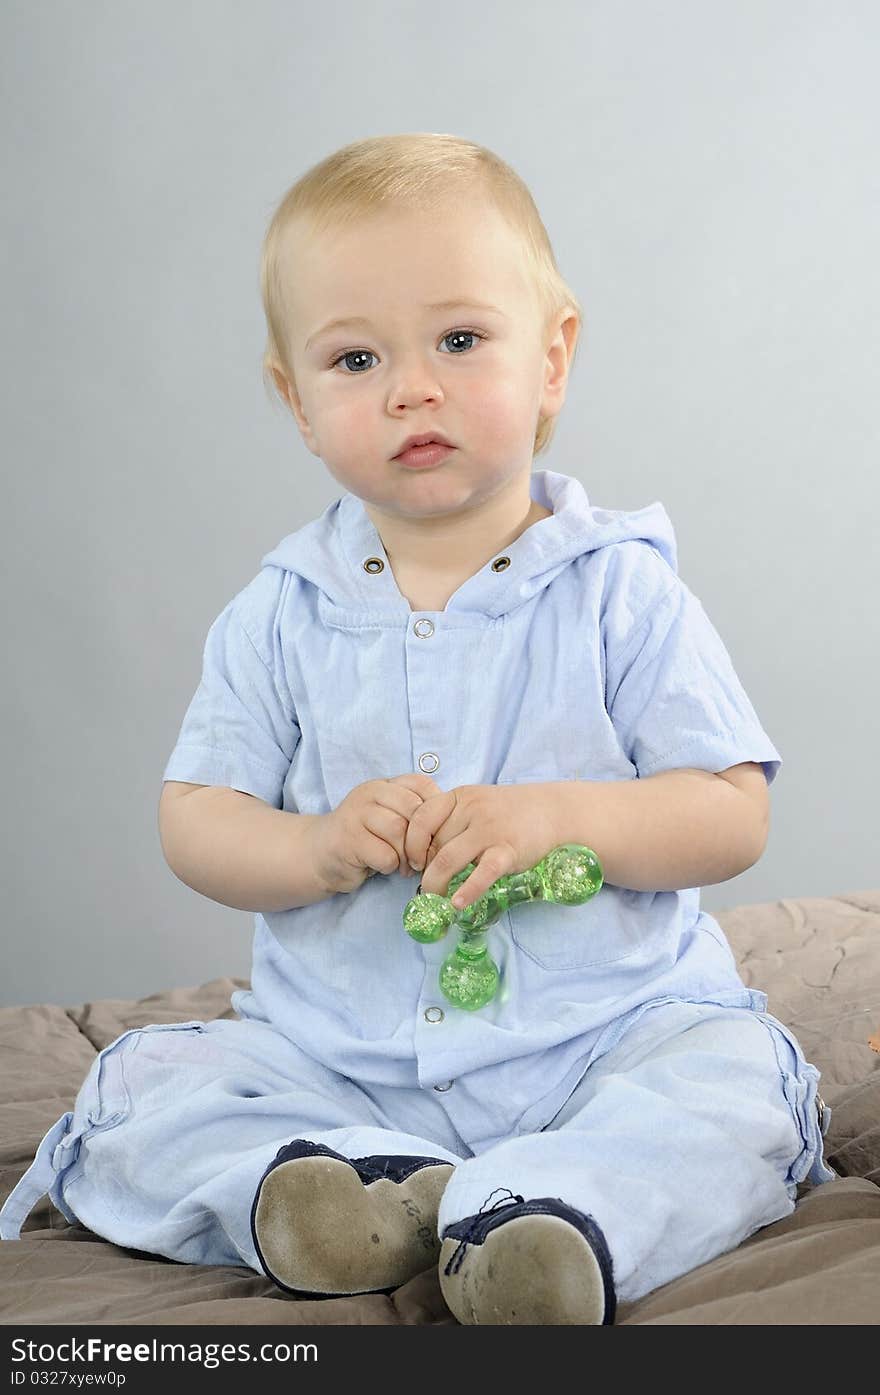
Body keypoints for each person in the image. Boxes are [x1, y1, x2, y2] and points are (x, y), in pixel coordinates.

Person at [0, 133, 834, 1325]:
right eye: (354, 358)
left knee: (729, 1092)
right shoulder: (281, 614)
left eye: (458, 340)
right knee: (146, 1092)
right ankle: (342, 1195)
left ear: (552, 360)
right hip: (339, 1058)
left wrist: (561, 810)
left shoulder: (619, 588)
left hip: (604, 1041)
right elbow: (197, 819)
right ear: (295, 400)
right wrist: (317, 848)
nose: (411, 388)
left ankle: (548, 1219)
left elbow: (729, 809)